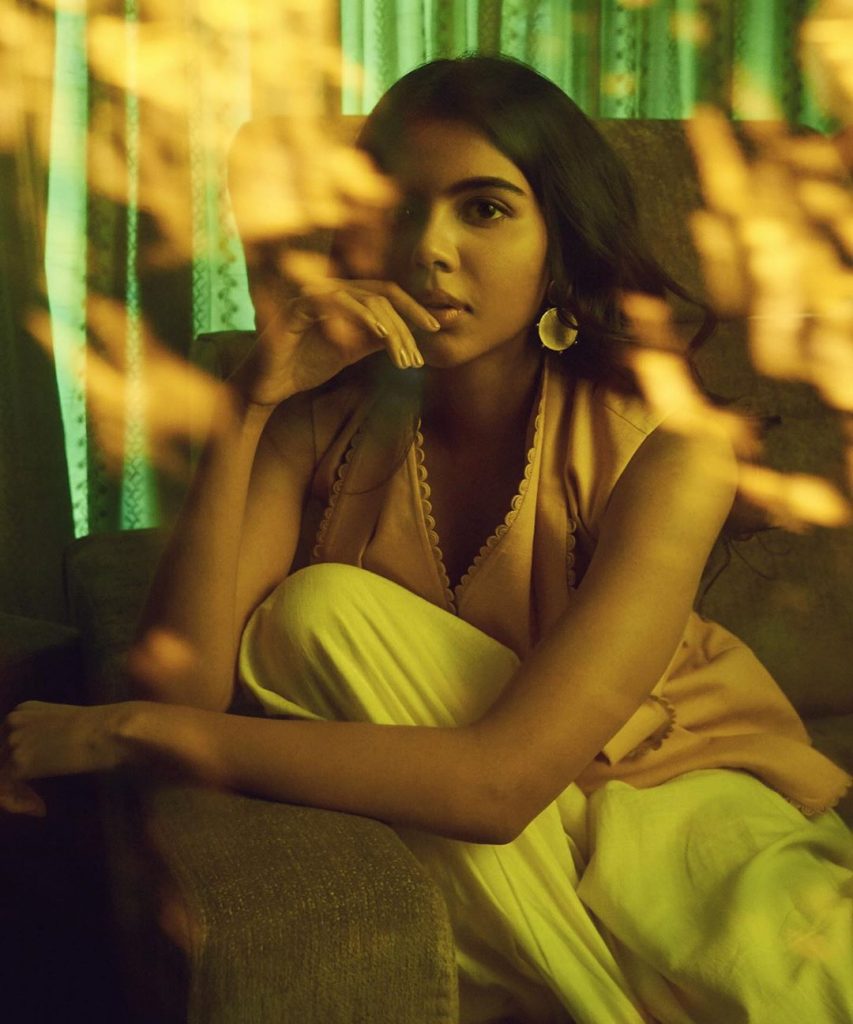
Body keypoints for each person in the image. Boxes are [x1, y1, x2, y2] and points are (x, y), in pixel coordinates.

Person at [3, 55, 853, 1024]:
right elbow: (183, 683)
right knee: (315, 614)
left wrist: (125, 728)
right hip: (470, 826)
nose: (430, 250)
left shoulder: (673, 450)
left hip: (670, 801)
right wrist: (247, 408)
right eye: (398, 208)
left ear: (558, 241)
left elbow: (497, 787)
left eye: (483, 209)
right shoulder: (317, 422)